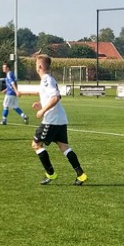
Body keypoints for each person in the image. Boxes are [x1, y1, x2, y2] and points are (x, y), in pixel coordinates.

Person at [30, 54, 88, 186]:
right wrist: (41, 105)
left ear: (39, 66)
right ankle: (81, 175)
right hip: (60, 119)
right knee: (64, 147)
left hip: (51, 120)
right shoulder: (48, 79)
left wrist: (42, 111)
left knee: (36, 145)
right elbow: (51, 97)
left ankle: (50, 174)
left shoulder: (46, 80)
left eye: (36, 64)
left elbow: (56, 97)